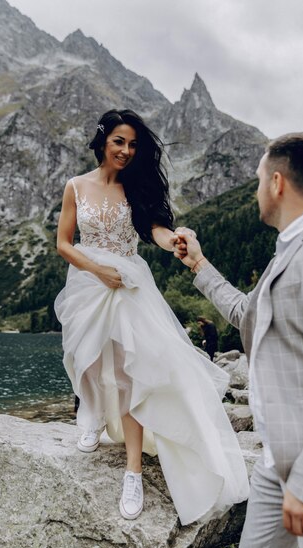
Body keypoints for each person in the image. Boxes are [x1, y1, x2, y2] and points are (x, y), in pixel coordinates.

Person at [175, 133, 303, 548]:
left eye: (257, 180)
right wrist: (199, 264)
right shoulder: (286, 253)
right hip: (278, 463)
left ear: (276, 182)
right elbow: (244, 313)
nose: (255, 190)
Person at [54, 109, 249, 524]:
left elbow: (155, 230)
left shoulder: (135, 188)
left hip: (128, 283)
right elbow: (64, 244)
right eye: (119, 142)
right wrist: (96, 269)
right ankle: (89, 417)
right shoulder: (76, 186)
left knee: (130, 375)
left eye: (133, 145)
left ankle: (133, 472)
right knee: (84, 358)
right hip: (89, 282)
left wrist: (174, 240)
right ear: (103, 141)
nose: (126, 151)